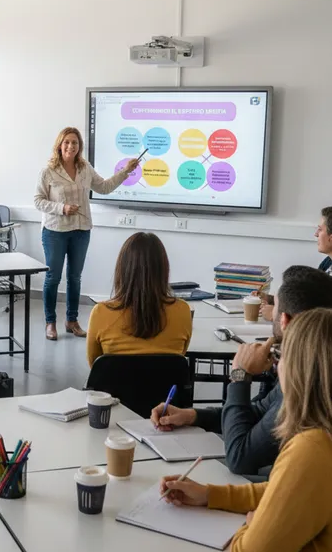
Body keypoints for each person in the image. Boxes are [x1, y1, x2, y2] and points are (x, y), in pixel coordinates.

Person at [160, 307, 332, 552]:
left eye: (280, 357)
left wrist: (251, 528)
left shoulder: (313, 449)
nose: (276, 367)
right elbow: (287, 492)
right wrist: (212, 495)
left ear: (299, 369)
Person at [151, 265, 332, 477]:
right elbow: (257, 414)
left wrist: (240, 376)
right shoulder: (316, 365)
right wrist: (192, 416)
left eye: (275, 306)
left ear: (285, 321)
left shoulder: (307, 381)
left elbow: (239, 458)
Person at [34, 127, 139, 341]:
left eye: (75, 143)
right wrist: (61, 208)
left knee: (75, 277)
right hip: (55, 231)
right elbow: (38, 200)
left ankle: (72, 321)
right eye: (67, 142)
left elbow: (105, 187)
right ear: (59, 145)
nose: (71, 146)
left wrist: (126, 171)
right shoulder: (48, 171)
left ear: (79, 146)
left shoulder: (85, 168)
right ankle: (50, 322)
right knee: (53, 278)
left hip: (81, 230)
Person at [86, 233, 192, 367]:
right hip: (163, 388)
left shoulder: (100, 313)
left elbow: (94, 365)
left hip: (113, 388)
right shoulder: (182, 310)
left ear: (122, 269)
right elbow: (180, 356)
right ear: (163, 269)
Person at [258, 206, 332, 321]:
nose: (316, 234)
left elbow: (319, 318)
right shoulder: (327, 262)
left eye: (320, 229)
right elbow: (311, 301)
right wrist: (272, 299)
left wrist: (275, 315)